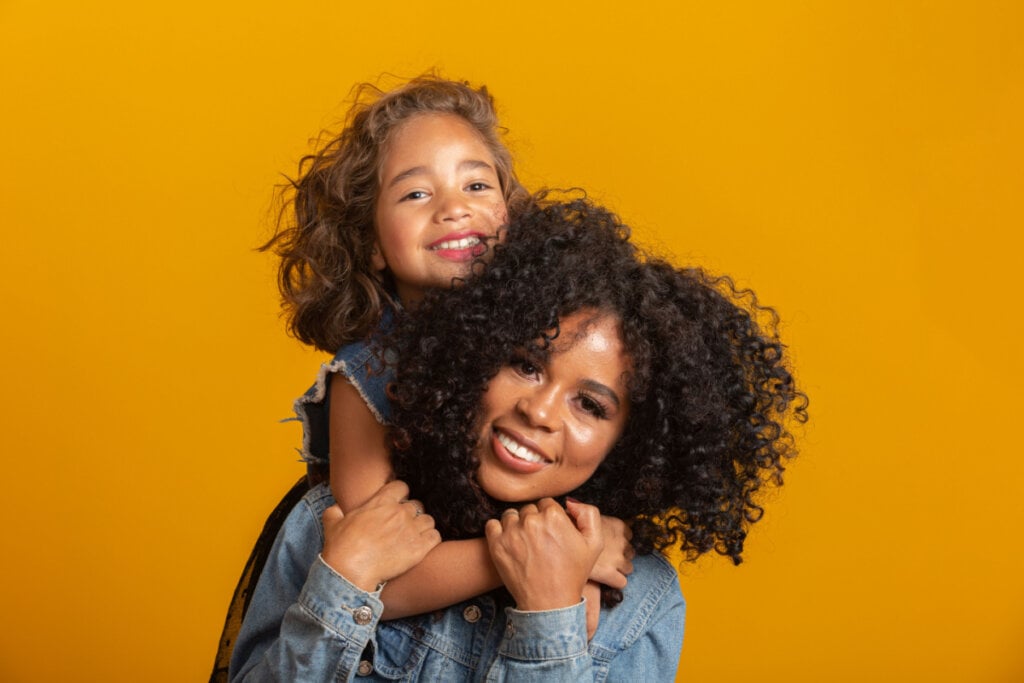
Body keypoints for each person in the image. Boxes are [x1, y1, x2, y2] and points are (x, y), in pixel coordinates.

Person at [229, 199, 808, 681]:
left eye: (590, 405)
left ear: (631, 445)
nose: (539, 410)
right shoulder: (338, 524)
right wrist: (345, 581)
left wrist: (549, 613)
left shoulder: (641, 600)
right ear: (474, 355)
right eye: (526, 365)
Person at [260, 74, 632, 621]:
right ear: (373, 244)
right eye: (416, 193)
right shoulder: (367, 373)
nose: (454, 208)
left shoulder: (538, 343)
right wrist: (520, 555)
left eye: (477, 186)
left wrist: (591, 535)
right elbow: (369, 580)